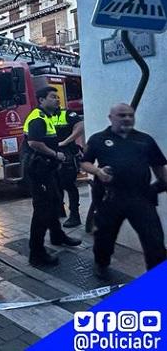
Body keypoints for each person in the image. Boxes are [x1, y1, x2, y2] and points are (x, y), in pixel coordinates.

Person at [81, 103, 167, 279]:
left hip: (141, 198)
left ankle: (157, 278)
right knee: (104, 237)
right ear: (111, 118)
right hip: (110, 197)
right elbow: (84, 162)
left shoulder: (145, 140)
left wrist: (163, 182)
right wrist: (98, 171)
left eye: (130, 115)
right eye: (122, 115)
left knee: (154, 241)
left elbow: (158, 166)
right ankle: (101, 264)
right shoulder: (98, 139)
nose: (127, 118)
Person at [22, 87, 81, 267]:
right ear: (41, 100)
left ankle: (57, 236)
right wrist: (56, 155)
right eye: (53, 97)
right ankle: (36, 253)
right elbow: (34, 142)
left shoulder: (47, 116)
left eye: (57, 97)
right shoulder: (38, 118)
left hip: (47, 169)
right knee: (42, 210)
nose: (57, 100)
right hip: (39, 171)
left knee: (55, 202)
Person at [53, 106, 85, 227]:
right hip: (52, 155)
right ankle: (59, 210)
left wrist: (66, 142)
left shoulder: (66, 113)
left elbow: (80, 126)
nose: (56, 100)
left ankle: (75, 216)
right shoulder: (43, 116)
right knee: (56, 184)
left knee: (69, 186)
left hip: (67, 155)